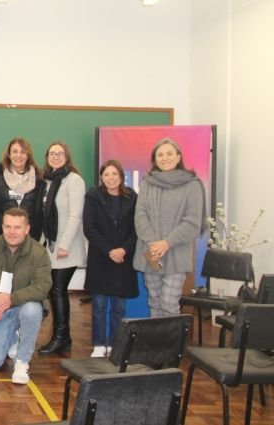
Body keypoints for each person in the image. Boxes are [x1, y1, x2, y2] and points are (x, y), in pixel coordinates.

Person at [0, 208, 52, 383]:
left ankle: (22, 361)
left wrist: (10, 299)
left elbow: (43, 286)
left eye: (17, 227)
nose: (12, 232)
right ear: (2, 227)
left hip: (23, 305)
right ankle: (13, 336)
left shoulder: (39, 253)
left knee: (32, 310)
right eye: (8, 227)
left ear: (27, 229)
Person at [133, 138, 206, 317]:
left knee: (169, 303)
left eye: (169, 154)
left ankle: (171, 337)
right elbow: (140, 215)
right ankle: (156, 336)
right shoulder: (147, 183)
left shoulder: (192, 184)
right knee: (154, 301)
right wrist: (153, 244)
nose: (165, 158)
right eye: (160, 155)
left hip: (176, 253)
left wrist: (167, 243)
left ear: (178, 157)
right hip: (151, 252)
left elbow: (192, 221)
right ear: (155, 159)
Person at [83, 160, 138, 357]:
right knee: (99, 305)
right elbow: (89, 228)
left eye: (114, 174)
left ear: (121, 176)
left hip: (124, 259)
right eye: (106, 174)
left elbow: (137, 229)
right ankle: (99, 344)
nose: (111, 178)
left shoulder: (132, 197)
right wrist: (110, 251)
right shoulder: (93, 196)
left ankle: (115, 344)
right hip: (101, 257)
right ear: (101, 177)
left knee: (119, 307)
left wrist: (123, 250)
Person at [38, 141, 86, 355]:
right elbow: (45, 215)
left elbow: (75, 215)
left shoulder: (74, 180)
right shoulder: (47, 181)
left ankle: (60, 338)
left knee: (58, 290)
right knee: (54, 290)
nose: (55, 156)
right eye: (52, 153)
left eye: (60, 153)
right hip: (51, 246)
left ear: (67, 157)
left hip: (67, 248)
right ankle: (63, 337)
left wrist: (64, 245)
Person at [0, 137, 44, 240]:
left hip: (31, 237)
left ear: (28, 155)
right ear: (9, 155)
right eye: (15, 151)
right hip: (1, 236)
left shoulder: (39, 179)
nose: (18, 155)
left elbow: (40, 211)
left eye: (23, 152)